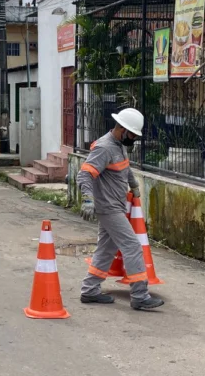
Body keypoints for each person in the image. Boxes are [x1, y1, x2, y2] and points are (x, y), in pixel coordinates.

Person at [77, 108, 164, 311]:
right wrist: (88, 199)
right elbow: (84, 175)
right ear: (122, 129)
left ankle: (89, 290)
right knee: (133, 246)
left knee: (106, 249)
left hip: (116, 205)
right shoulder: (105, 148)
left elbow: (125, 168)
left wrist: (133, 185)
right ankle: (140, 296)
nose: (133, 138)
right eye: (132, 134)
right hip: (108, 207)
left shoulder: (119, 146)